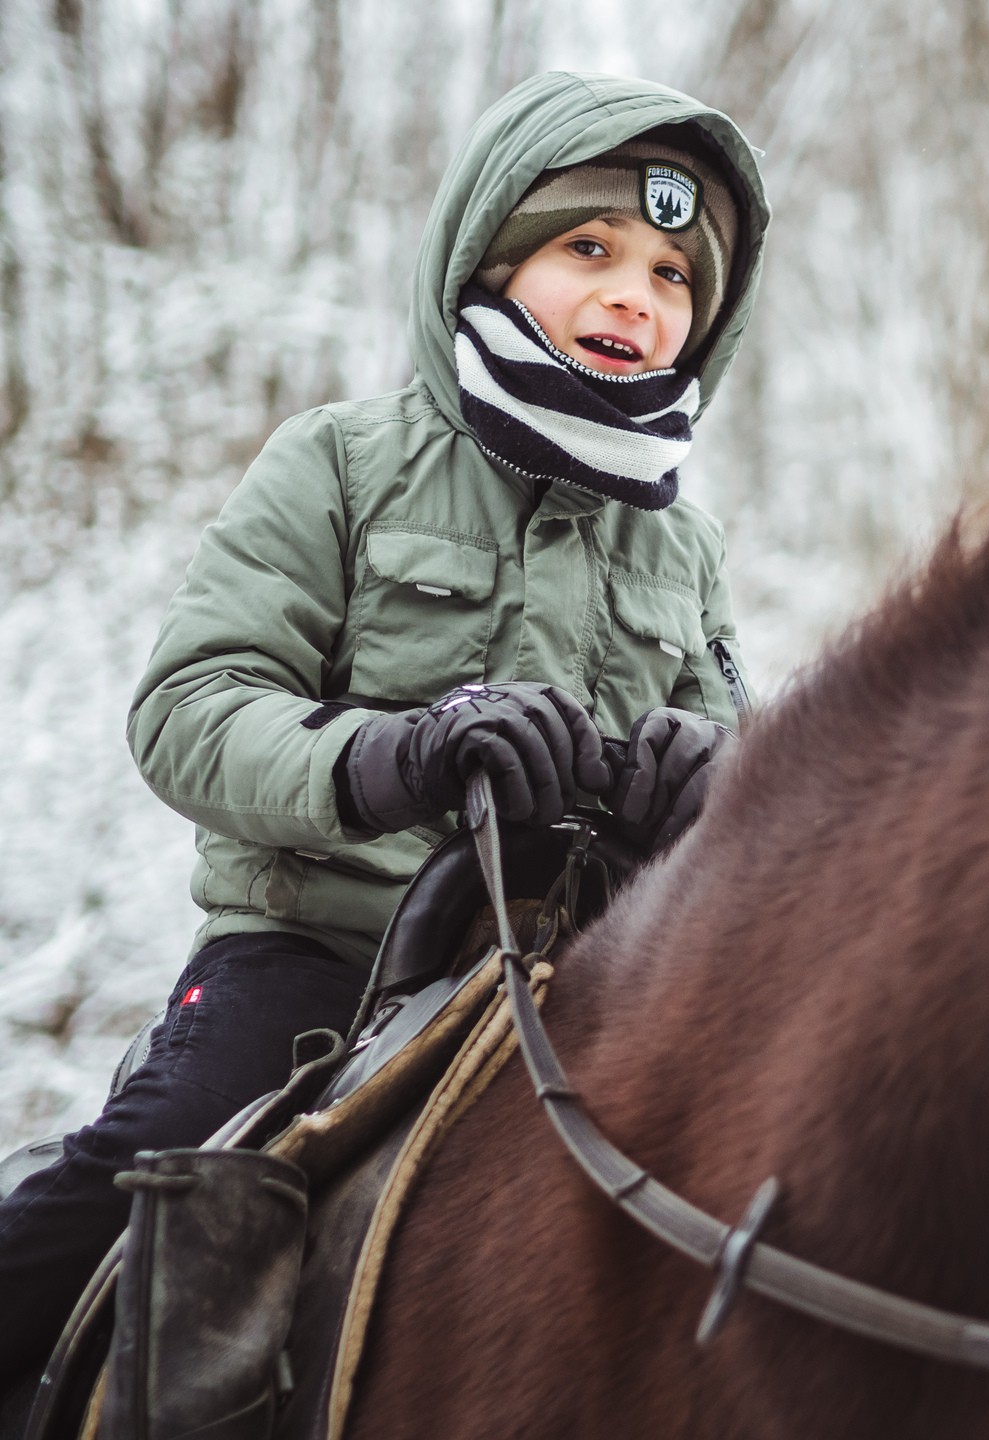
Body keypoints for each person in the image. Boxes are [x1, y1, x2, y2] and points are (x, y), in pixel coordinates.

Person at [0, 70, 769, 1394]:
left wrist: (713, 787)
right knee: (152, 1161)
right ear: (490, 255)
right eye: (590, 250)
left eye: (675, 276)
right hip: (318, 967)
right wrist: (383, 759)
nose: (637, 298)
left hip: (585, 987)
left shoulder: (685, 548)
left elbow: (742, 759)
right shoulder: (342, 462)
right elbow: (187, 712)